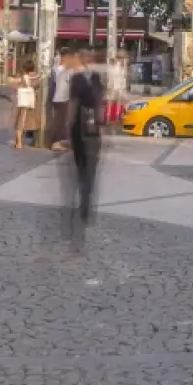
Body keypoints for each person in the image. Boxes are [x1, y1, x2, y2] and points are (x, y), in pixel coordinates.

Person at [63, 51, 106, 242]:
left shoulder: (77, 79)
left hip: (80, 127)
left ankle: (83, 202)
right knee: (90, 169)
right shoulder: (96, 78)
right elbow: (100, 104)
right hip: (93, 129)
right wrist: (100, 121)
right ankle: (86, 203)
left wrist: (68, 126)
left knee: (82, 167)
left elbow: (73, 103)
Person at [12, 71, 39, 150]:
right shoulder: (30, 78)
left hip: (23, 102)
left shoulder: (25, 77)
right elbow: (35, 85)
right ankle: (19, 143)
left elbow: (17, 85)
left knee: (20, 123)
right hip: (27, 102)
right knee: (22, 123)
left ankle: (19, 142)